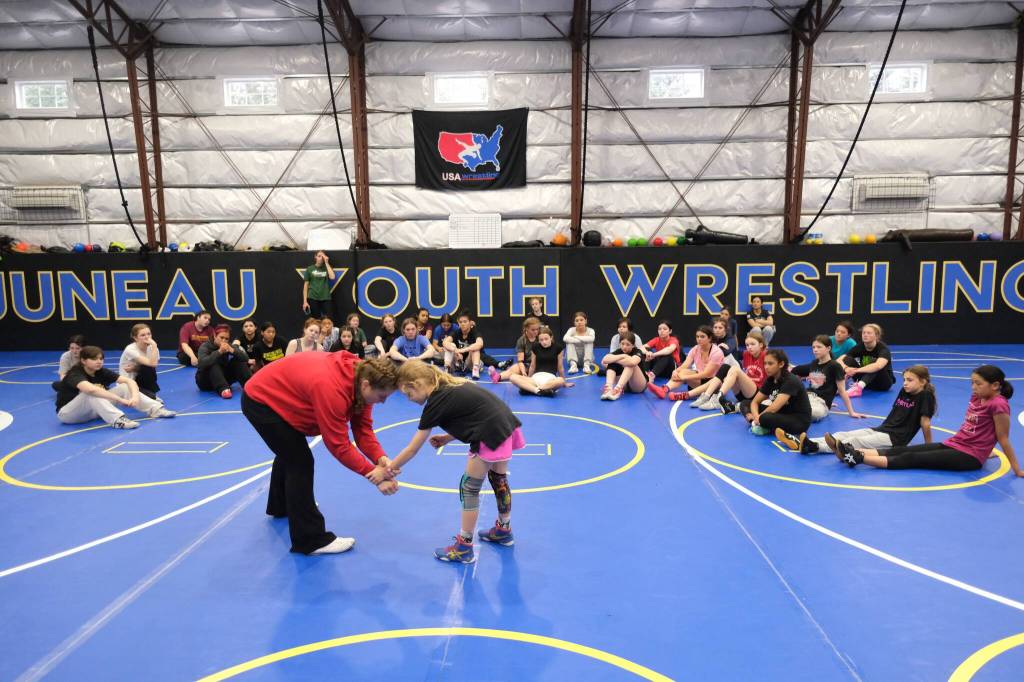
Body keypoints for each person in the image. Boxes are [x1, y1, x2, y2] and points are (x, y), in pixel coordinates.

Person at [242, 353, 399, 555]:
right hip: (262, 401)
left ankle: (282, 506)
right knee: (299, 461)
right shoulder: (332, 389)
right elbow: (338, 445)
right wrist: (374, 476)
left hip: (279, 394)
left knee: (290, 453)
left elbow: (363, 431)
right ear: (366, 385)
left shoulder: (363, 377)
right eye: (382, 396)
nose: (383, 402)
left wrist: (381, 459)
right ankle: (310, 540)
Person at [387, 360, 524, 564]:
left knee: (468, 487)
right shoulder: (450, 386)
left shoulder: (435, 403)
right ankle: (504, 530)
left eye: (408, 394)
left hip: (489, 433)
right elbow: (472, 415)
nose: (409, 399)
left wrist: (389, 469)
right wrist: (447, 438)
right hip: (505, 426)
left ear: (416, 384)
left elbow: (412, 448)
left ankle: (464, 547)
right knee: (499, 479)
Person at [839, 365, 1021, 477]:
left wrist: (1017, 469)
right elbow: (976, 428)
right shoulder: (976, 397)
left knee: (913, 458)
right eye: (972, 383)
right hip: (955, 444)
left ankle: (859, 458)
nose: (974, 387)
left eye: (978, 384)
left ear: (995, 385)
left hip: (969, 457)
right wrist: (988, 450)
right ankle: (852, 450)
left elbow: (1002, 438)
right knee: (904, 450)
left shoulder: (999, 405)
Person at [802, 365, 936, 455]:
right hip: (882, 429)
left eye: (910, 380)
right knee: (844, 434)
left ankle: (815, 447)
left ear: (923, 382)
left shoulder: (925, 396)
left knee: (855, 441)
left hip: (895, 439)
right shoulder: (904, 391)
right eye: (904, 379)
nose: (905, 383)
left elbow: (925, 423)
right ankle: (808, 441)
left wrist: (928, 448)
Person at [56, 345, 175, 429]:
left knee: (123, 387)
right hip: (69, 414)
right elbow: (91, 389)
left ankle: (155, 409)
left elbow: (129, 381)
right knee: (92, 393)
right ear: (83, 360)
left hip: (93, 411)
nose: (99, 361)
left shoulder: (101, 371)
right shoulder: (75, 373)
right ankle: (118, 420)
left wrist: (134, 397)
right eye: (94, 359)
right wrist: (120, 400)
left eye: (101, 359)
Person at [674, 331, 767, 410]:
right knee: (725, 367)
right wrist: (720, 347)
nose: (749, 347)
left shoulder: (766, 356)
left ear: (761, 345)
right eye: (747, 345)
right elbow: (728, 353)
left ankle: (718, 398)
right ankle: (707, 396)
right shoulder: (747, 354)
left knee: (735, 369)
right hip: (741, 395)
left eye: (753, 344)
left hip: (757, 395)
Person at [742, 349, 812, 440]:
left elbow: (774, 407)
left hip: (798, 421)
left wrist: (760, 418)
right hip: (782, 414)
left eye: (770, 364)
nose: (766, 367)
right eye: (765, 363)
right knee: (745, 403)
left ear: (781, 364)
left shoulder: (790, 381)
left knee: (765, 417)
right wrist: (756, 417)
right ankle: (759, 423)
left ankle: (764, 425)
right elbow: (755, 402)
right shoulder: (771, 379)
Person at [789, 335, 860, 423]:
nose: (815, 349)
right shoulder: (814, 363)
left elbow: (842, 391)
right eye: (813, 347)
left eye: (819, 347)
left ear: (828, 348)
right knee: (774, 403)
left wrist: (851, 412)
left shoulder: (835, 366)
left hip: (821, 402)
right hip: (807, 396)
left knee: (814, 413)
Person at [649, 325, 724, 399]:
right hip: (700, 381)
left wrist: (685, 377)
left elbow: (707, 374)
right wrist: (676, 371)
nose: (699, 339)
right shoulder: (695, 349)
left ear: (710, 338)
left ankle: (684, 395)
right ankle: (664, 389)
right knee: (682, 371)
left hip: (714, 385)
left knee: (685, 374)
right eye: (697, 337)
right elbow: (685, 365)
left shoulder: (716, 352)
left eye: (702, 337)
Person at [838, 323, 894, 397]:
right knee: (848, 359)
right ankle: (839, 386)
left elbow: (878, 366)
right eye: (864, 333)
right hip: (866, 382)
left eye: (869, 333)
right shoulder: (860, 347)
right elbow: (839, 360)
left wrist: (856, 370)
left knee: (874, 362)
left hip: (882, 383)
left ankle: (858, 388)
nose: (865, 335)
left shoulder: (883, 349)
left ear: (876, 336)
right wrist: (846, 368)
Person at [509, 326, 569, 397]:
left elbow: (560, 367)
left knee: (560, 381)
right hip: (535, 378)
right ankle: (538, 391)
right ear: (538, 340)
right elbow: (532, 365)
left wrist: (564, 383)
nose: (544, 342)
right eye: (541, 340)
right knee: (512, 377)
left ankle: (531, 389)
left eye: (546, 339)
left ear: (551, 337)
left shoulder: (558, 348)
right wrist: (528, 378)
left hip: (550, 379)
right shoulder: (535, 347)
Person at [196, 324, 252, 398]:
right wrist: (219, 352)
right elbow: (201, 364)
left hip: (222, 378)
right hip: (206, 382)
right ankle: (224, 389)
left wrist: (232, 350)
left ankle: (250, 385)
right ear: (215, 335)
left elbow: (245, 358)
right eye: (221, 337)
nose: (224, 341)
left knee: (238, 361)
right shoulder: (205, 346)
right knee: (213, 363)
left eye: (226, 339)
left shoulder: (228, 345)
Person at [490, 317, 541, 383]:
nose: (536, 331)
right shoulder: (521, 341)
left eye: (537, 329)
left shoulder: (541, 337)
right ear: (527, 329)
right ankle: (498, 377)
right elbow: (520, 361)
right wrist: (523, 372)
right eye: (533, 330)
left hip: (539, 364)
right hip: (526, 365)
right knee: (514, 369)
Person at [118, 323, 162, 400]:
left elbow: (154, 365)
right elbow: (153, 363)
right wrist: (154, 345)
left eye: (149, 334)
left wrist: (136, 367)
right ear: (135, 338)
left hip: (141, 379)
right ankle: (149, 396)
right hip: (128, 382)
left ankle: (149, 393)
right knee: (146, 366)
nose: (147, 337)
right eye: (143, 335)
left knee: (148, 368)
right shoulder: (130, 349)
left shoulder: (153, 348)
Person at [600, 331, 648, 400]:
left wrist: (616, 359)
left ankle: (618, 389)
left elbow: (633, 362)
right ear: (620, 344)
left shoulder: (637, 351)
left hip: (638, 386)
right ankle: (609, 388)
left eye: (628, 345)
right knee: (611, 362)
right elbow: (604, 360)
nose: (624, 347)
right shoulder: (619, 351)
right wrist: (623, 355)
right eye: (622, 344)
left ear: (633, 345)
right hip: (625, 385)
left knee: (630, 364)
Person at [443, 311, 485, 379]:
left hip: (470, 362)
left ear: (470, 322)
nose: (462, 324)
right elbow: (445, 342)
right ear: (458, 323)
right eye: (460, 322)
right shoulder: (456, 332)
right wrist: (455, 350)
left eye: (465, 322)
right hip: (458, 361)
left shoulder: (475, 332)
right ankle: (447, 368)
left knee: (474, 348)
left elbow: (480, 344)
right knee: (451, 345)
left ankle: (475, 370)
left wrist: (463, 350)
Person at [301, 250, 336, 320]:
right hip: (313, 297)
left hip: (325, 297)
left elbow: (332, 277)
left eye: (322, 256)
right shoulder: (310, 269)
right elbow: (305, 286)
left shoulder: (327, 267)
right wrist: (305, 301)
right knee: (316, 319)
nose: (321, 258)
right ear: (315, 257)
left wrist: (326, 262)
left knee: (329, 319)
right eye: (319, 256)